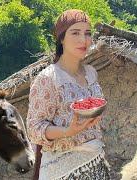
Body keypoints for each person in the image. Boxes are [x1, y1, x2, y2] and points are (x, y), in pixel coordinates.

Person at [26, 9, 110, 180]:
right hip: (62, 171)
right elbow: (34, 129)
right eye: (75, 33)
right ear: (62, 38)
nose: (83, 40)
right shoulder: (48, 78)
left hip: (96, 163)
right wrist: (67, 131)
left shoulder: (91, 73)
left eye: (87, 33)